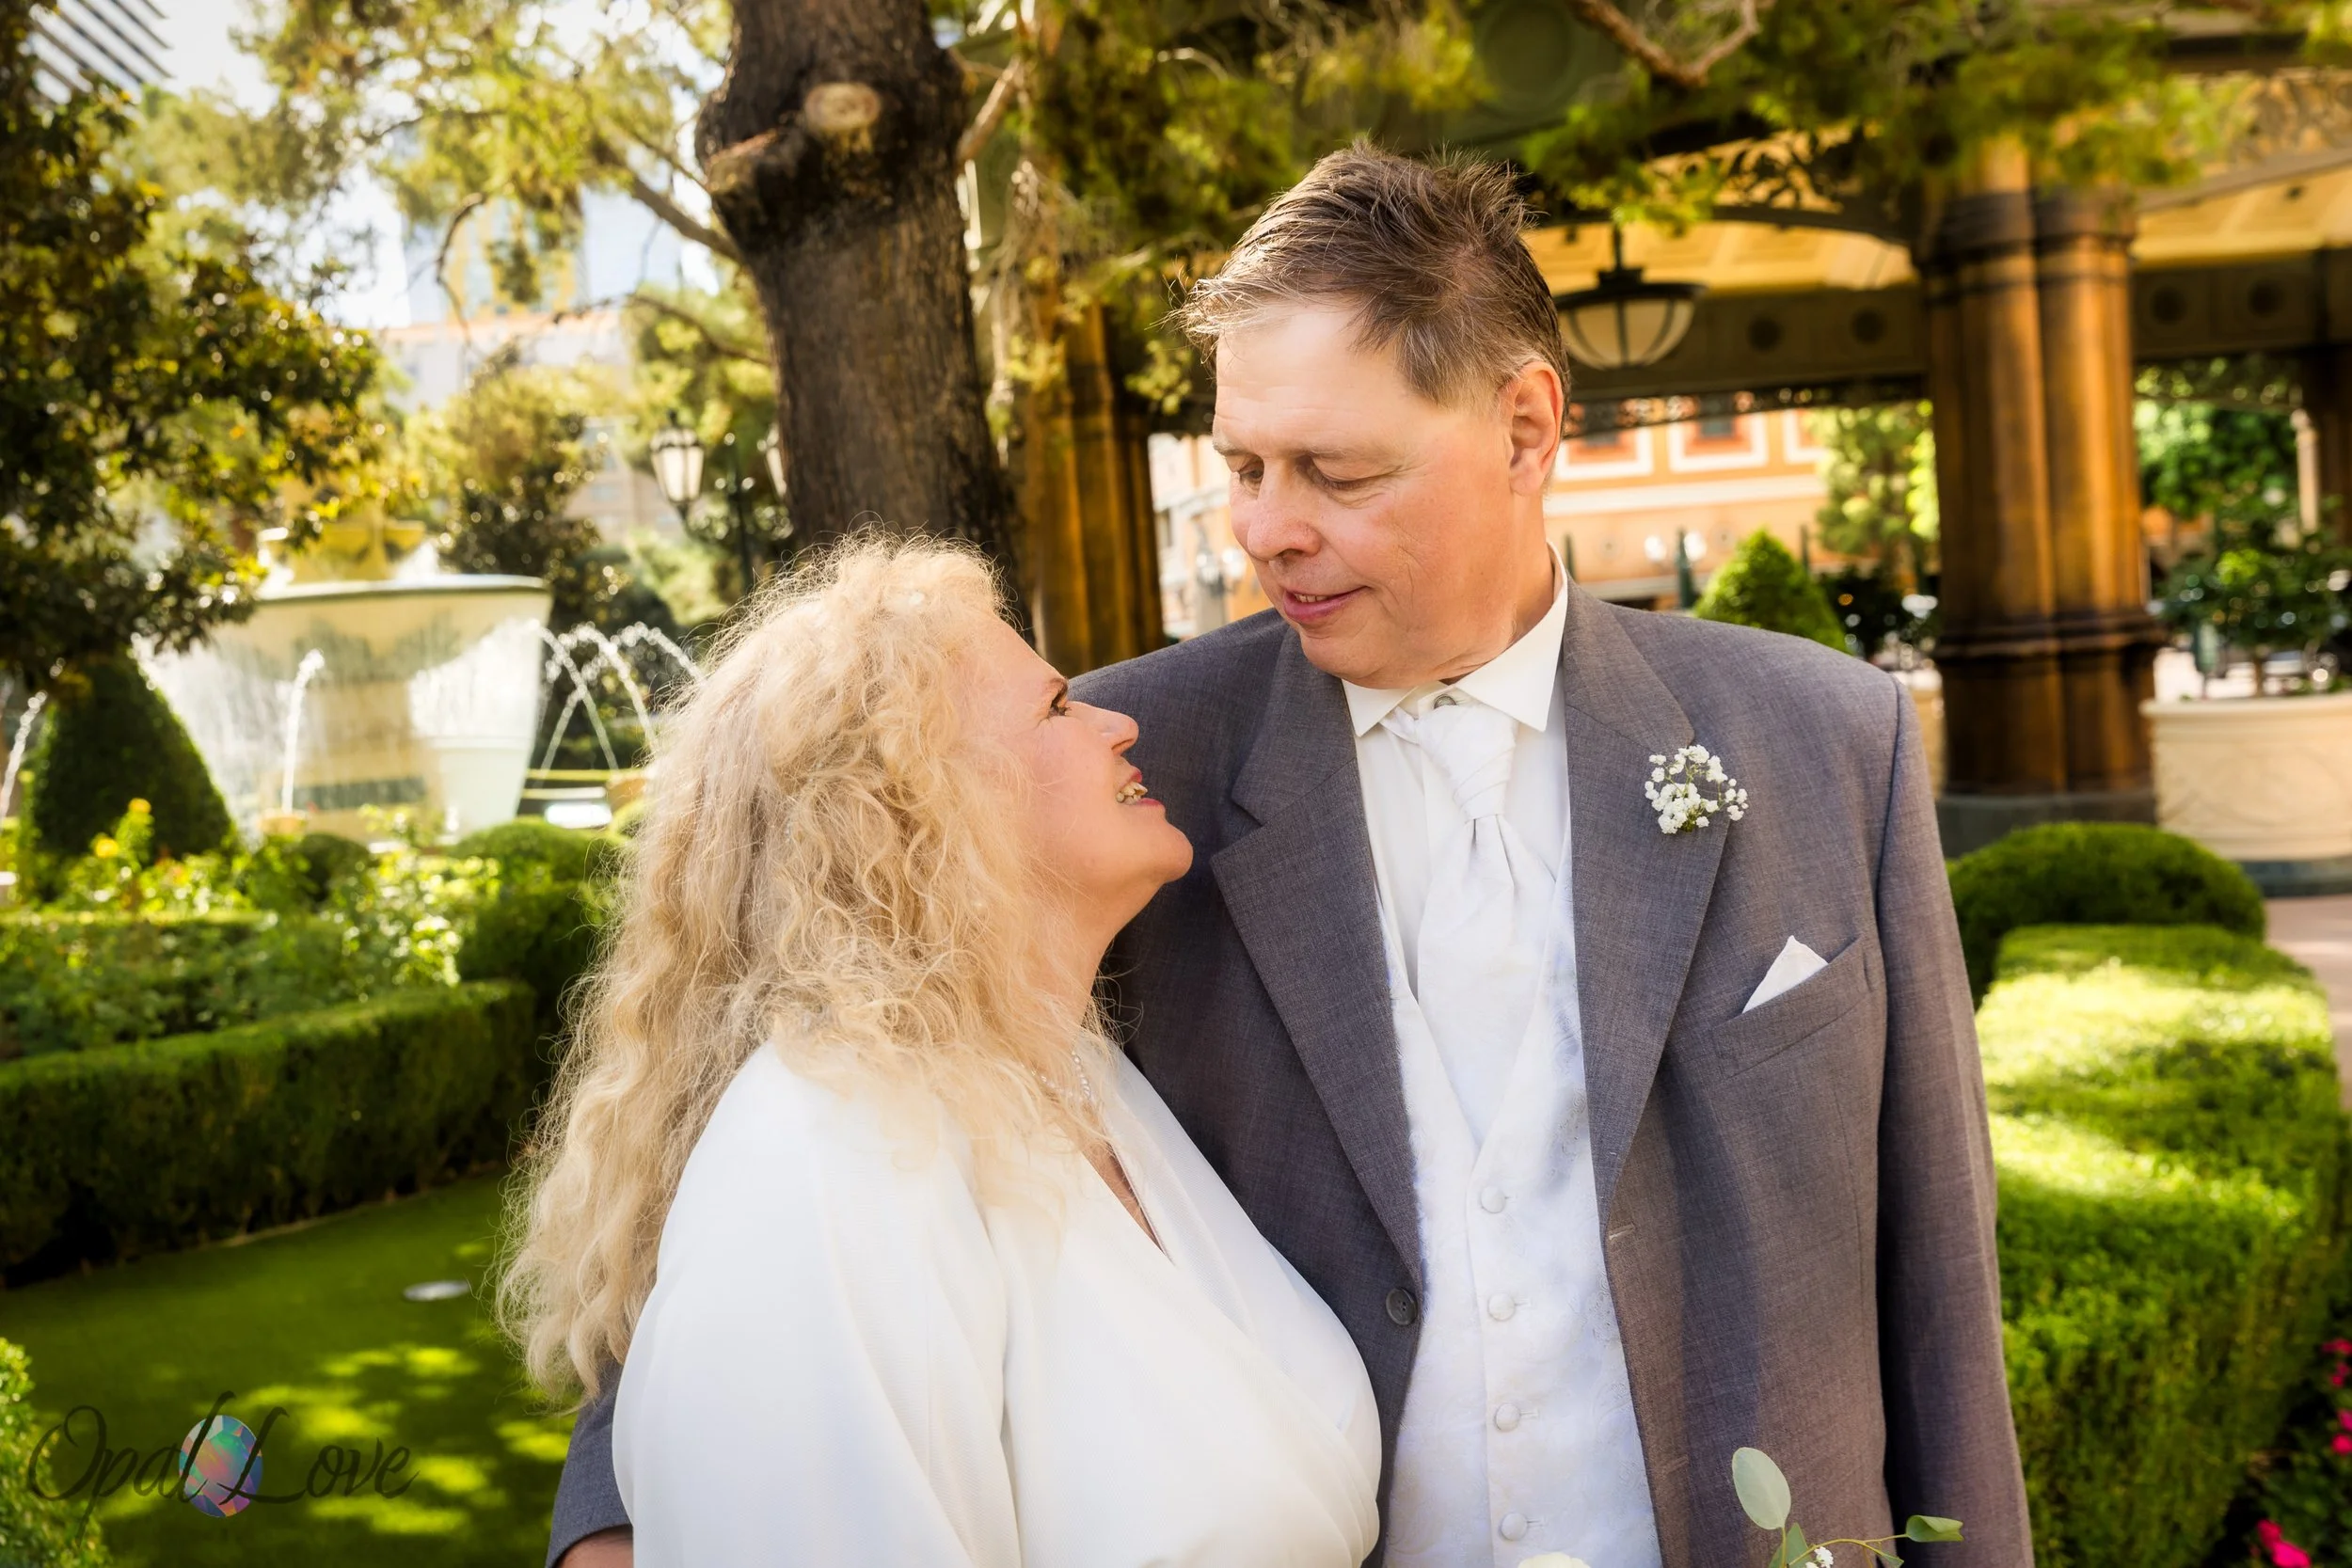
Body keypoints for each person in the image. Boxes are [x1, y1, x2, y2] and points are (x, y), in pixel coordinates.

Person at [547, 144, 2031, 1567]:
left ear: (1527, 429)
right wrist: (618, 1497)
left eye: (1336, 470)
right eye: (1244, 462)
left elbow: (1943, 1294)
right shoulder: (1123, 773)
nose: (1265, 528)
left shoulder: (1826, 737)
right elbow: (805, 1048)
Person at [502, 541, 1381, 1566]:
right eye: (1058, 707)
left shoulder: (1078, 1077)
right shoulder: (833, 1147)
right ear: (918, 804)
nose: (1119, 721)